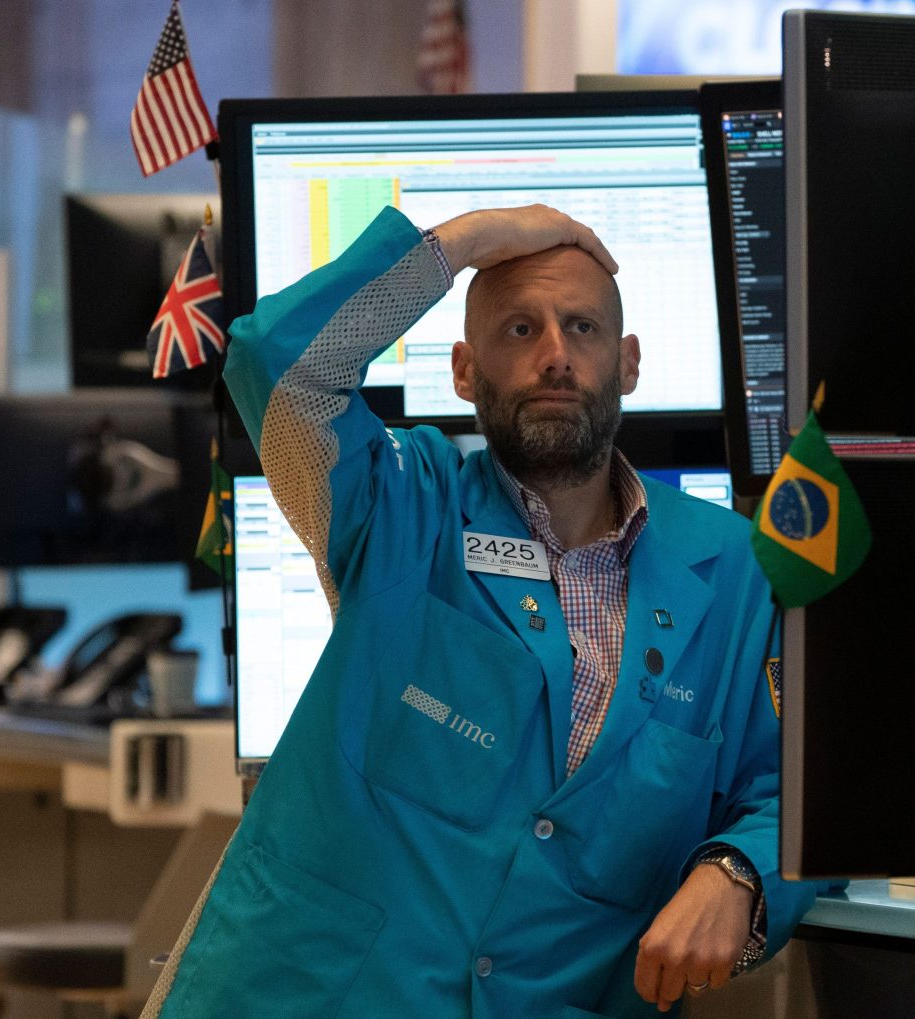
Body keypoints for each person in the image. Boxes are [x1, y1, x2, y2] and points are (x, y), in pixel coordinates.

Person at [144, 203, 817, 1018]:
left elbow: (804, 792)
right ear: (463, 371)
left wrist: (738, 874)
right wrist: (461, 245)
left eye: (582, 328)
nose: (556, 356)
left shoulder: (737, 574)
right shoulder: (398, 509)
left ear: (630, 362)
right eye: (518, 330)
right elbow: (275, 360)